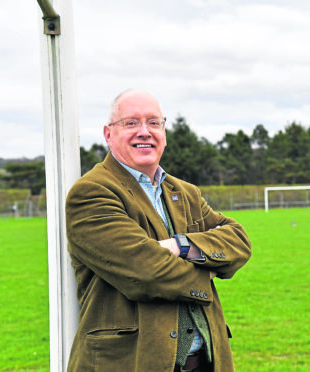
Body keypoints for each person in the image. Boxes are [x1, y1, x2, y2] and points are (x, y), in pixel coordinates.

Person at [65, 89, 252, 372]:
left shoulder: (184, 192)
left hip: (206, 363)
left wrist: (180, 246)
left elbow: (238, 240)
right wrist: (206, 269)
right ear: (108, 134)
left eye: (154, 123)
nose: (145, 132)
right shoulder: (91, 192)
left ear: (163, 131)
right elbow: (145, 271)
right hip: (131, 362)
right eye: (131, 123)